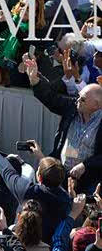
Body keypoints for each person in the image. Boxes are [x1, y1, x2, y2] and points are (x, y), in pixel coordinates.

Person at [22, 55, 102, 193]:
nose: (78, 100)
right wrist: (34, 79)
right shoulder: (73, 108)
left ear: (96, 105)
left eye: (82, 99)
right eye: (78, 96)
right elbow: (52, 99)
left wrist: (85, 165)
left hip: (89, 180)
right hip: (62, 175)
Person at [0, 127, 72, 244]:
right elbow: (55, 176)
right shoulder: (66, 200)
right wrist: (41, 157)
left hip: (25, 244)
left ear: (39, 177)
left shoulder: (29, 191)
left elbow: (7, 171)